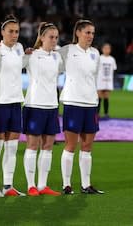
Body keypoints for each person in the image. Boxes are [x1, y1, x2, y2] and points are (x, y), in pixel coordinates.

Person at [59, 19, 103, 195]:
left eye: (93, 33)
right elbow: (46, 52)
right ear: (78, 33)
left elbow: (94, 77)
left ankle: (86, 185)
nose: (91, 36)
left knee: (87, 147)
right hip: (73, 102)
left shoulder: (95, 53)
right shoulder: (67, 50)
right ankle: (66, 185)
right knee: (70, 145)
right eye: (87, 32)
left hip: (91, 104)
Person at [22, 23, 63, 197]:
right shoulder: (31, 55)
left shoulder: (57, 57)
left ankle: (42, 185)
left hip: (52, 106)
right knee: (32, 145)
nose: (54, 40)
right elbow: (16, 67)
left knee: (47, 146)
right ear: (42, 38)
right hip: (34, 105)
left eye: (56, 37)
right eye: (51, 37)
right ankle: (31, 185)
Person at [0, 14, 25, 197]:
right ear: (2, 32)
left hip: (16, 101)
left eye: (17, 31)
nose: (14, 35)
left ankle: (8, 185)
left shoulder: (19, 49)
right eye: (10, 31)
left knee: (12, 147)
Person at [96, 43, 117, 119]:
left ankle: (106, 113)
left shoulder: (112, 59)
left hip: (108, 81)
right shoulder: (99, 58)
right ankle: (97, 114)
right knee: (99, 97)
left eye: (108, 48)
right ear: (102, 49)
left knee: (106, 97)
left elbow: (113, 70)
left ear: (110, 50)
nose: (107, 50)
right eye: (105, 48)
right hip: (100, 80)